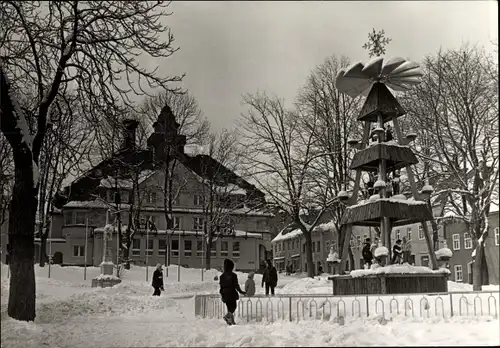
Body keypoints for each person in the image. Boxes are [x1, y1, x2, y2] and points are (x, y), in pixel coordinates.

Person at [219, 259, 246, 325]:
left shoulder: (222, 276)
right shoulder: (233, 275)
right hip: (231, 293)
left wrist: (222, 294)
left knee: (229, 308)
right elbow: (236, 285)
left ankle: (231, 322)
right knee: (233, 306)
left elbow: (221, 286)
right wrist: (241, 292)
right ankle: (227, 316)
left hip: (224, 293)